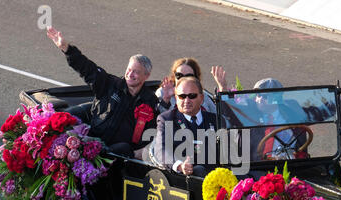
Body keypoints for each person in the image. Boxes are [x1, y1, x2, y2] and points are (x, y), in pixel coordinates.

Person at [46, 26, 159, 159]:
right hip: (93, 145)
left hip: (122, 155)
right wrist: (66, 48)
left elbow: (150, 132)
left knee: (124, 148)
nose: (130, 74)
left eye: (136, 72)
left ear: (146, 75)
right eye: (129, 69)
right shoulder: (109, 84)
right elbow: (88, 69)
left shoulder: (150, 101)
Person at [154, 76, 217, 177]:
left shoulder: (215, 120)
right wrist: (179, 165)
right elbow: (161, 150)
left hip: (215, 178)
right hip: (183, 180)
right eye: (182, 96)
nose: (187, 100)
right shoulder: (167, 119)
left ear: (201, 98)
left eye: (192, 96)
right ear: (176, 98)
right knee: (199, 170)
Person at [155, 58, 227, 114]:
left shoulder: (202, 95)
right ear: (174, 76)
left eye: (188, 76)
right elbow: (157, 121)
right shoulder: (163, 92)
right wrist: (166, 99)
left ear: (196, 78)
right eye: (179, 75)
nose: (183, 79)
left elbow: (221, 116)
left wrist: (222, 88)